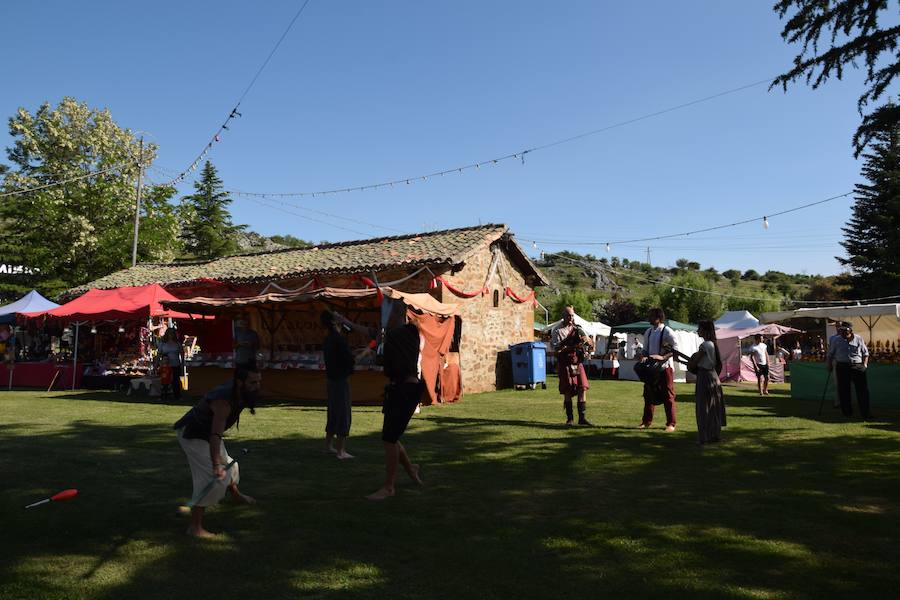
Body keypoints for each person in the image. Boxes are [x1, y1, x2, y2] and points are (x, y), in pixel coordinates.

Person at [173, 368, 262, 537]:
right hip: (192, 433)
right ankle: (195, 527)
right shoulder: (224, 400)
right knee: (211, 478)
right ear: (240, 382)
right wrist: (215, 465)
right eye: (253, 382)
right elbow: (215, 434)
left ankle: (236, 495)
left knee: (230, 466)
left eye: (259, 382)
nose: (257, 386)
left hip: (207, 433)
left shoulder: (241, 391)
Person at [367, 300, 424, 500]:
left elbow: (383, 343)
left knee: (389, 439)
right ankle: (411, 468)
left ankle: (389, 487)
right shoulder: (397, 334)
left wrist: (380, 337)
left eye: (387, 315)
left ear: (395, 316)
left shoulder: (407, 333)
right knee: (392, 437)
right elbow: (379, 346)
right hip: (400, 389)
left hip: (405, 390)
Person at [550, 306, 594, 426]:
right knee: (568, 390)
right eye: (568, 315)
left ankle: (582, 418)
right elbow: (555, 350)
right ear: (563, 316)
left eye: (572, 315)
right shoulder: (556, 330)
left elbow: (590, 343)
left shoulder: (578, 329)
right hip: (565, 363)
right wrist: (571, 347)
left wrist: (587, 341)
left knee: (582, 388)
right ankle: (570, 419)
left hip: (577, 362)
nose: (571, 318)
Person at [320, 310, 355, 459]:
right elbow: (348, 361)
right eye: (338, 316)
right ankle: (341, 451)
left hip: (332, 380)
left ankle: (328, 446)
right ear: (335, 322)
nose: (342, 317)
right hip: (340, 380)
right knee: (343, 413)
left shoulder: (328, 339)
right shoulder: (338, 339)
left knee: (333, 413)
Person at [639, 307, 678, 432]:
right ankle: (646, 421)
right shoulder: (649, 332)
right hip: (651, 369)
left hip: (665, 368)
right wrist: (642, 355)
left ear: (658, 318)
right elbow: (645, 349)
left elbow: (675, 349)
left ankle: (671, 423)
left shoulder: (667, 331)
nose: (648, 318)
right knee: (648, 394)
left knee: (668, 395)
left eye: (651, 315)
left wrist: (662, 357)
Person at [827, 322, 872, 419]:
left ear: (850, 331)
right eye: (841, 331)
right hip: (842, 366)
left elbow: (866, 353)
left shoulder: (858, 338)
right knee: (844, 390)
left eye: (845, 331)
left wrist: (864, 365)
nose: (843, 333)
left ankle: (865, 413)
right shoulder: (836, 340)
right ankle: (847, 412)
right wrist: (829, 365)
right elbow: (830, 355)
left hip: (857, 366)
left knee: (862, 391)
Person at [692, 320, 725, 445]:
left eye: (699, 328)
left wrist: (690, 362)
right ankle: (714, 435)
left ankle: (704, 437)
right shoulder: (712, 344)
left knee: (703, 408)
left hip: (705, 377)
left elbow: (694, 364)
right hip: (713, 376)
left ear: (705, 331)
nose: (697, 331)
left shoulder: (705, 345)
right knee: (713, 408)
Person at [157, 328, 183, 400]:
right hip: (165, 366)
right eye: (169, 333)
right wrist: (156, 364)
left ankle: (177, 395)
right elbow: (159, 354)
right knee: (165, 381)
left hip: (176, 364)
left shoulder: (177, 343)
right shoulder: (162, 343)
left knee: (176, 381)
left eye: (172, 333)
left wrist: (182, 363)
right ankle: (164, 396)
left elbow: (182, 353)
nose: (170, 335)